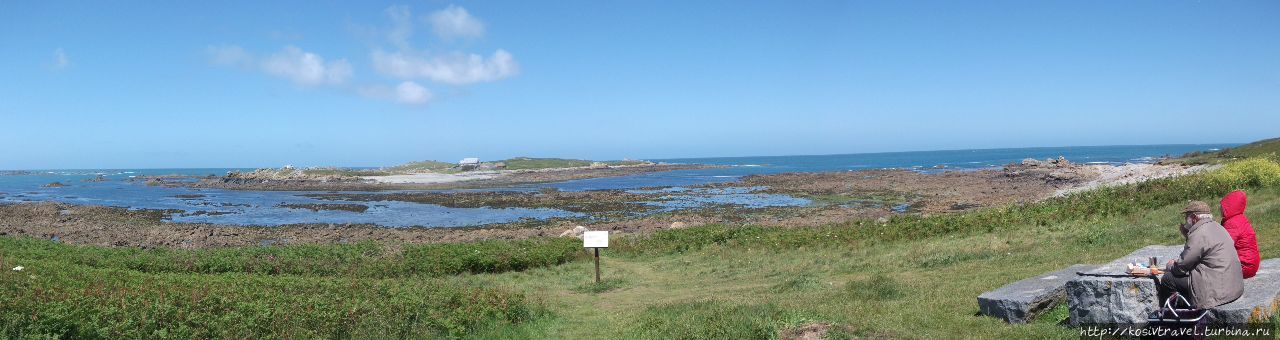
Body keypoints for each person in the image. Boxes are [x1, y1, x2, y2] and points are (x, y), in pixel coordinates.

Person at [1159, 201, 1243, 309]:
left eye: (1186, 217)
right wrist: (1188, 236)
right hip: (1232, 286)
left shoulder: (1199, 233)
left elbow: (1181, 267)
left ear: (1194, 217)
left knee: (1168, 279)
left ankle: (1171, 316)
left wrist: (1171, 266)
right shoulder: (1217, 227)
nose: (1185, 221)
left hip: (1217, 291)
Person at [1220, 190, 1261, 279]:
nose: (1220, 209)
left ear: (1229, 207)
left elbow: (1223, 244)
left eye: (1222, 207)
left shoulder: (1232, 223)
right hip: (1250, 264)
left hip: (1243, 267)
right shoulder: (1239, 218)